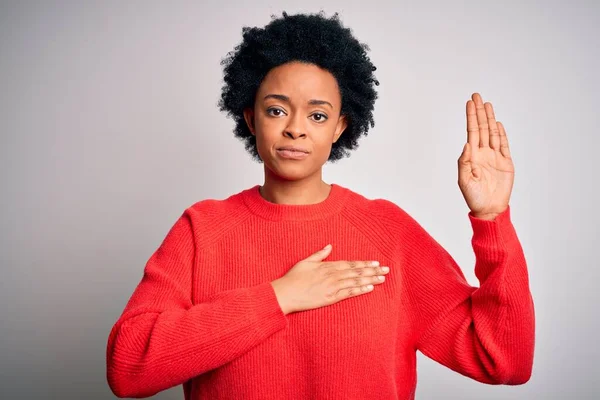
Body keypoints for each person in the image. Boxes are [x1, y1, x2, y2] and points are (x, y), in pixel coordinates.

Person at [106, 11, 535, 400]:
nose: (295, 130)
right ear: (251, 118)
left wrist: (492, 219)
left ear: (340, 126)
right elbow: (129, 368)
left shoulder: (387, 232)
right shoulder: (203, 229)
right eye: (276, 110)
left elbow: (504, 360)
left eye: (317, 115)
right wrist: (279, 297)